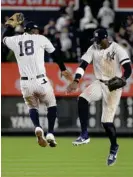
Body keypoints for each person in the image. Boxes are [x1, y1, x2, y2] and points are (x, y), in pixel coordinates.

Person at [2, 13, 72, 148]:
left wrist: (10, 25)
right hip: (41, 80)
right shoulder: (41, 39)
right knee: (51, 104)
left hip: (25, 82)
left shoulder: (15, 40)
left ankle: (37, 127)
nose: (37, 31)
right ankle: (50, 132)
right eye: (35, 30)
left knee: (32, 107)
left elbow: (3, 38)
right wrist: (62, 69)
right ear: (32, 31)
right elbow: (55, 53)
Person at [67, 28, 132, 166]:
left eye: (98, 40)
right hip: (99, 83)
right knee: (82, 99)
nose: (96, 43)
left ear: (105, 38)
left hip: (113, 86)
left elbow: (128, 67)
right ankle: (84, 135)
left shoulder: (117, 49)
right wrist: (76, 80)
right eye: (95, 40)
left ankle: (114, 147)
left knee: (106, 123)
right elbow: (83, 65)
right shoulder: (93, 48)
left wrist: (124, 78)